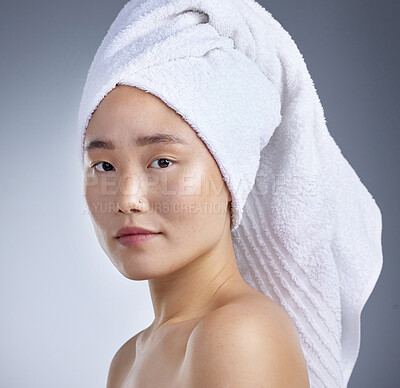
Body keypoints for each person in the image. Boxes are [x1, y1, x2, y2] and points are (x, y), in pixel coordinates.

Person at [83, 84, 310, 387]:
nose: (127, 200)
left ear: (231, 176)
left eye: (162, 162)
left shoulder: (241, 335)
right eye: (104, 166)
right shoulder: (126, 361)